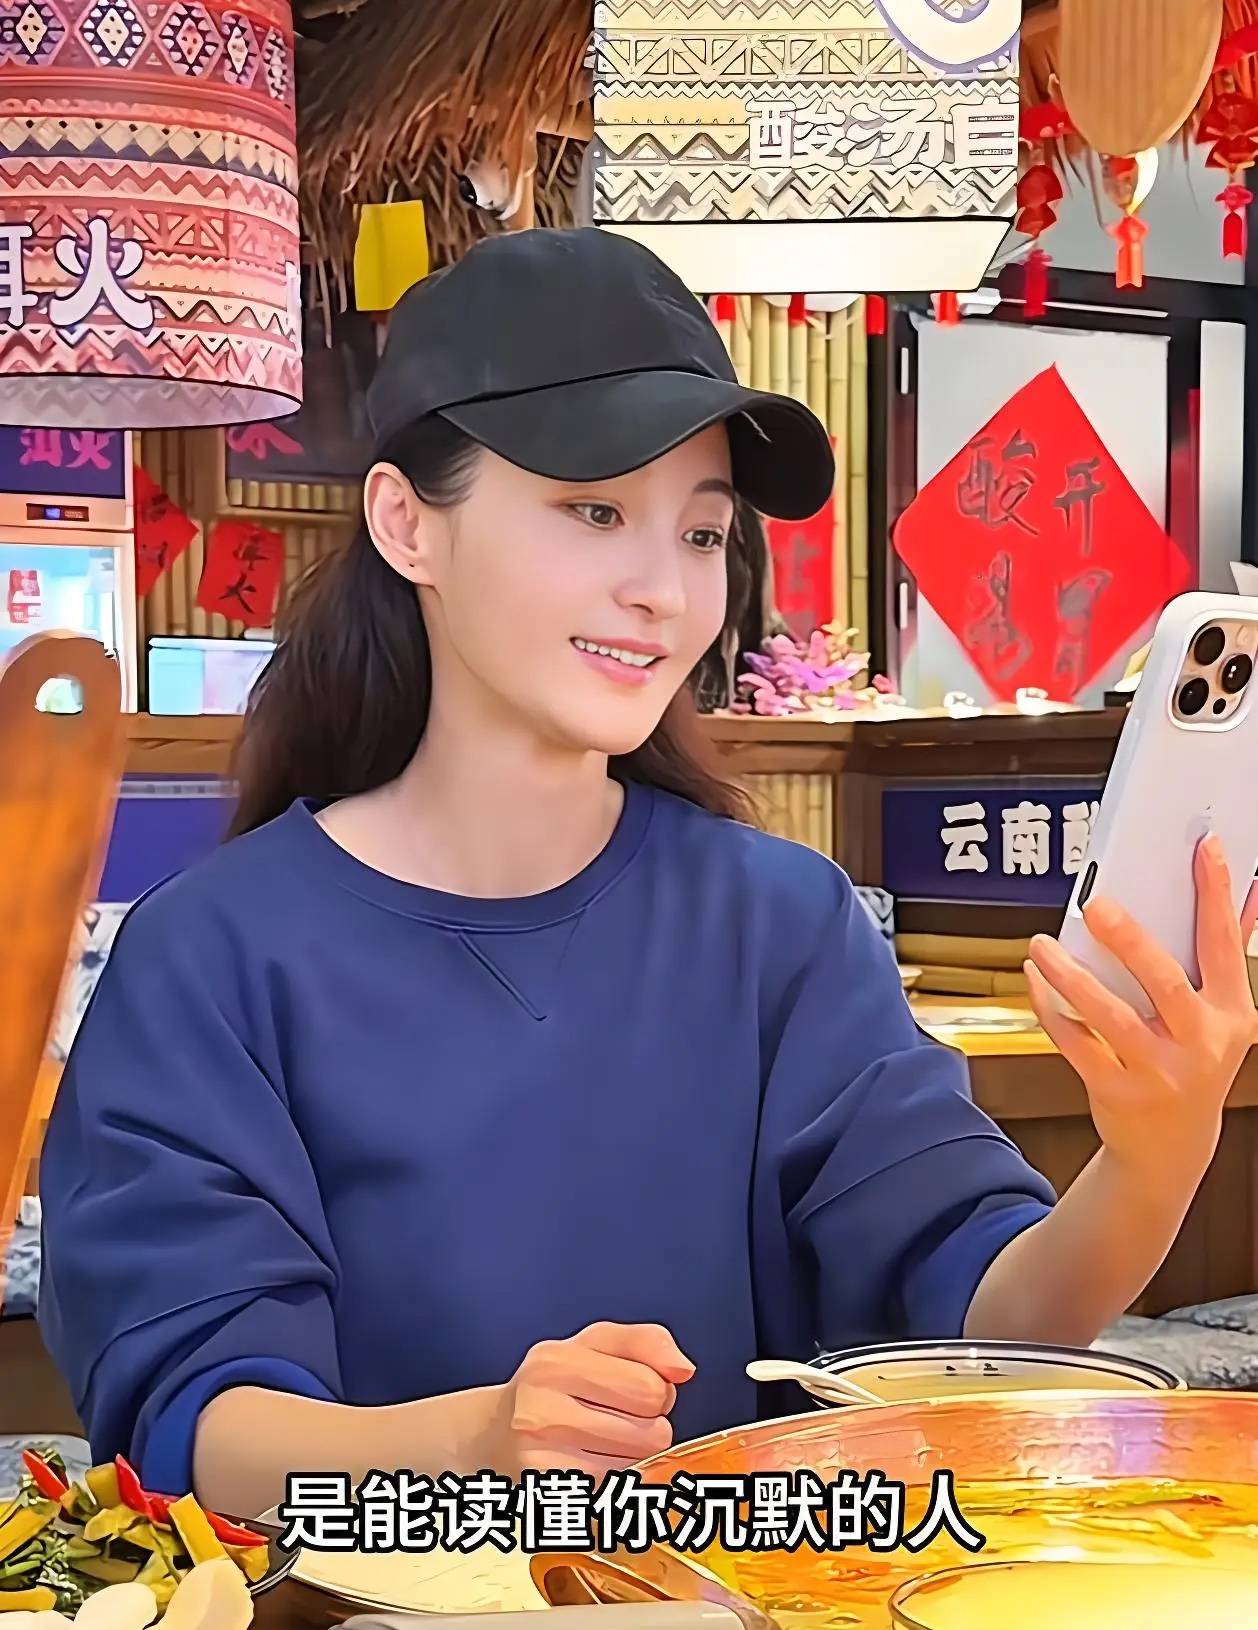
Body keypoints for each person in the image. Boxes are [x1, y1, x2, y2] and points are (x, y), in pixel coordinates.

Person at [39, 229, 1258, 1520]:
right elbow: (196, 1426)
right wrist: (477, 1443)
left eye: (701, 532)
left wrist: (1151, 1161)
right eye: (595, 511)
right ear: (407, 524)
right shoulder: (210, 957)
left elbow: (979, 1327)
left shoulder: (781, 926)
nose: (663, 591)